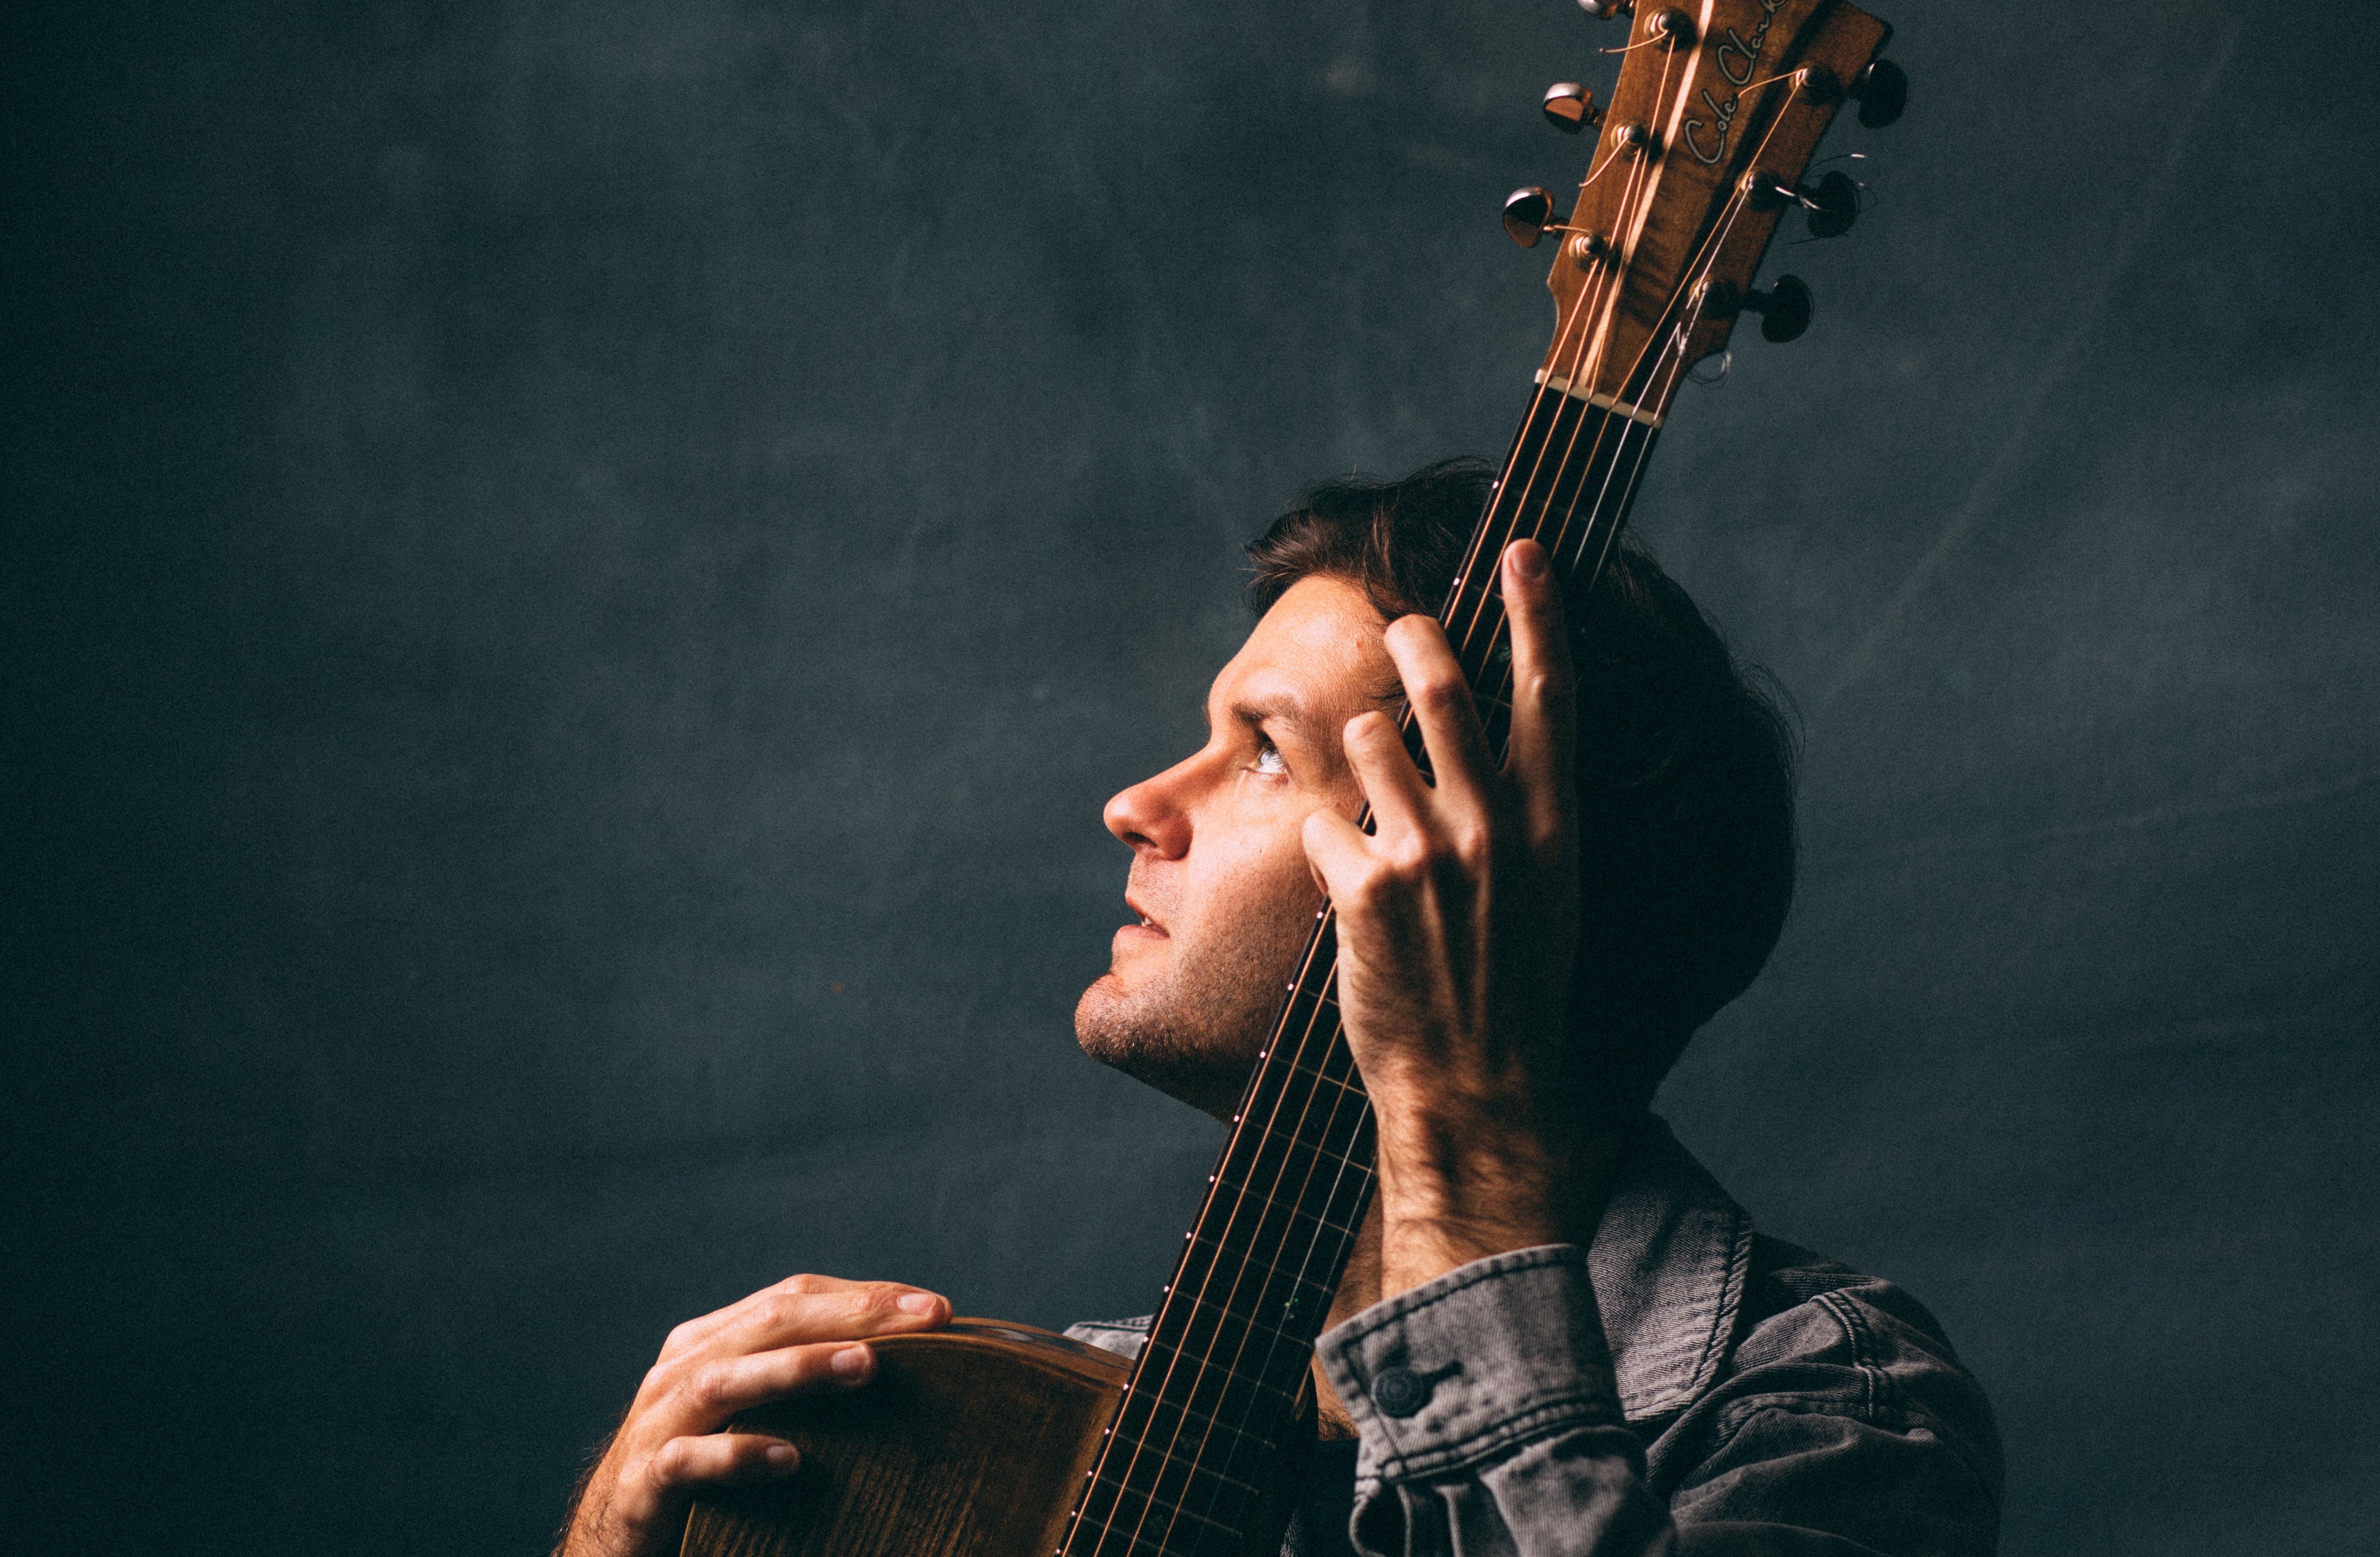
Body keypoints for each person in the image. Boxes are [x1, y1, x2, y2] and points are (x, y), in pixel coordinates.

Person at [553, 463, 2003, 1557]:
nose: (1135, 803)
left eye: (1259, 754)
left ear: (1480, 878)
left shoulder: (1826, 1408)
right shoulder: (1067, 1433)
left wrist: (1452, 1130)